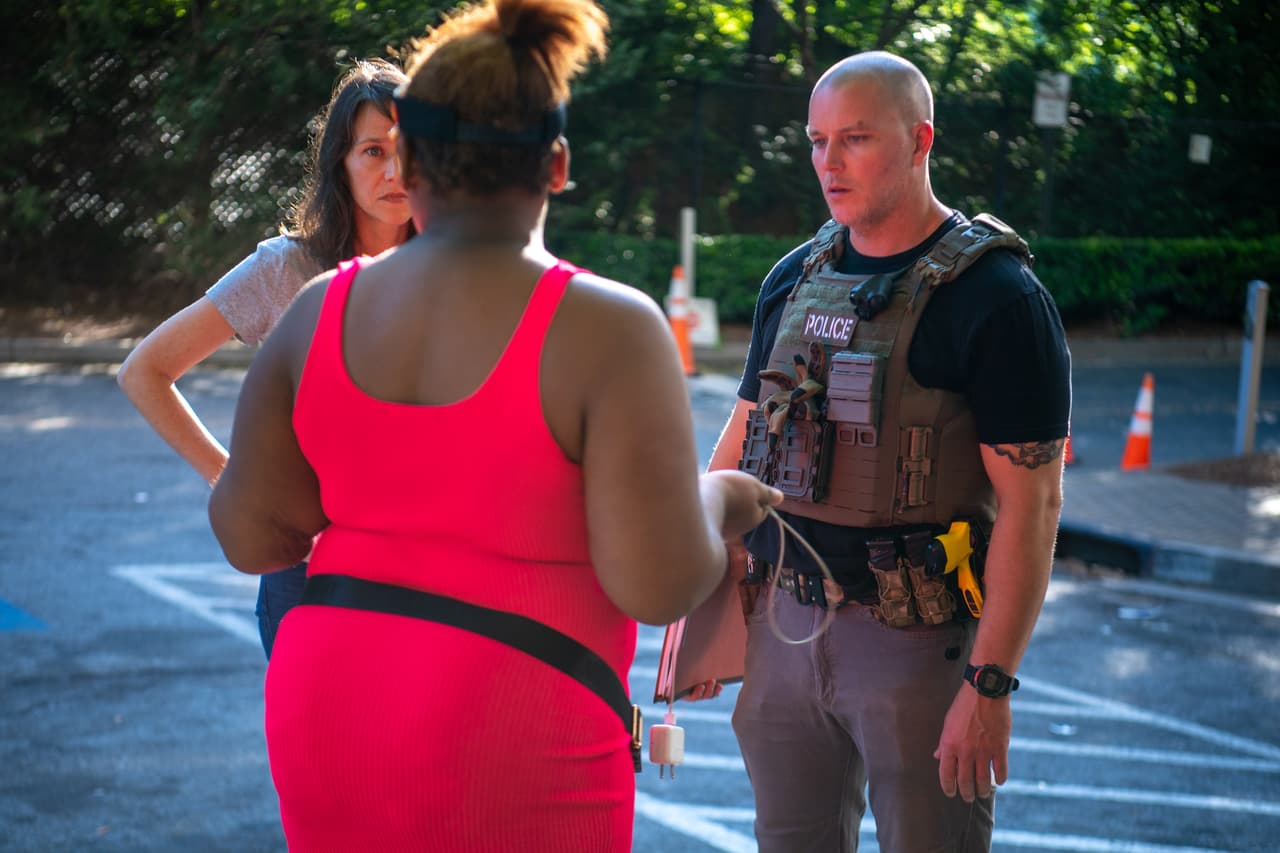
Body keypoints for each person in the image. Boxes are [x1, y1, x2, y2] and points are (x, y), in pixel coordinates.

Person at [207, 0, 781, 849]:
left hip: (330, 714)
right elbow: (658, 583)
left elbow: (250, 536)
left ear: (405, 154)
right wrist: (722, 498)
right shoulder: (609, 326)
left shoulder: (317, 311)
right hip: (515, 726)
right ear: (555, 165)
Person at [694, 51, 1071, 851]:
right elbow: (738, 449)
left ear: (920, 139)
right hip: (783, 623)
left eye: (855, 139)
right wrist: (700, 617)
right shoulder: (794, 277)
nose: (829, 163)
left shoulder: (996, 298)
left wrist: (990, 683)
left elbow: (1034, 508)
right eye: (817, 140)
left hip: (915, 643)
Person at [117, 59, 414, 657]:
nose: (396, 170)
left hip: (423, 569)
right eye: (373, 152)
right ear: (341, 164)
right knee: (322, 750)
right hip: (308, 572)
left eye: (410, 149)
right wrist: (237, 483)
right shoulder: (287, 269)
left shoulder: (456, 271)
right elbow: (145, 370)